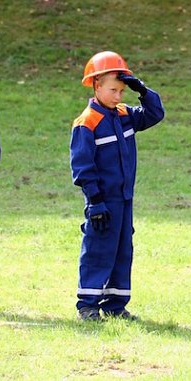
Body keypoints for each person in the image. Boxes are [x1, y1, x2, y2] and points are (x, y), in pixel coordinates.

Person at [70, 51, 165, 321]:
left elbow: (155, 114)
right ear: (96, 85)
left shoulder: (124, 114)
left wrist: (143, 90)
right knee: (98, 250)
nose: (118, 96)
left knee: (123, 251)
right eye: (113, 90)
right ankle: (87, 305)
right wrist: (95, 201)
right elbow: (82, 167)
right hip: (103, 201)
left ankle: (115, 305)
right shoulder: (86, 123)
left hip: (125, 200)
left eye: (122, 91)